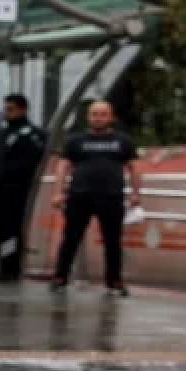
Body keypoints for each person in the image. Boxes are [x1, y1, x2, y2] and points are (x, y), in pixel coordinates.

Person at [50, 100, 141, 297]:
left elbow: (134, 167)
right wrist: (58, 192)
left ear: (111, 117)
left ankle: (114, 281)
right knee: (70, 238)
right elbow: (62, 167)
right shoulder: (75, 141)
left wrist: (135, 193)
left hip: (111, 197)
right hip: (79, 196)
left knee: (113, 241)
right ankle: (60, 277)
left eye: (103, 114)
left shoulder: (123, 141)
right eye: (94, 114)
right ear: (88, 117)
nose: (98, 118)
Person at [0, 94, 47, 281]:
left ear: (23, 110)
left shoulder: (33, 134)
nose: (7, 112)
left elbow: (30, 162)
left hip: (13, 189)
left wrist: (9, 176)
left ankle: (9, 267)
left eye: (11, 109)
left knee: (9, 229)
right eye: (6, 109)